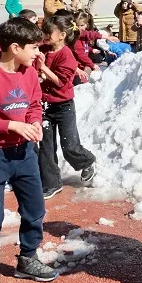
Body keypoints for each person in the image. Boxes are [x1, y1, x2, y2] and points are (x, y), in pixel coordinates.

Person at [0, 17, 57, 283]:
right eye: (33, 47)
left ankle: (27, 259)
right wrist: (11, 125)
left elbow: (33, 104)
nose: (38, 53)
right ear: (15, 47)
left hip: (24, 154)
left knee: (35, 209)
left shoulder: (29, 72)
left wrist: (32, 122)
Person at [36, 15, 96, 200]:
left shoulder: (67, 55)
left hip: (63, 106)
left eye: (49, 32)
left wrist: (43, 68)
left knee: (69, 144)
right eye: (44, 31)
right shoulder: (43, 49)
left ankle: (87, 161)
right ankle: (51, 183)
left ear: (62, 35)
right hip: (45, 106)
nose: (45, 35)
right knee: (46, 147)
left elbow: (61, 83)